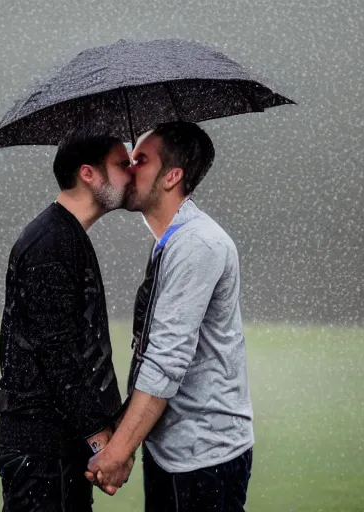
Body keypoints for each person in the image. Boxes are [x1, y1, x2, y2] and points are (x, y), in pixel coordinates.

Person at [87, 121, 254, 511]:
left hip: (203, 455)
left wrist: (118, 451)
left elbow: (166, 360)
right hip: (176, 449)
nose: (128, 167)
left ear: (172, 177)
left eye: (140, 159)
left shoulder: (196, 244)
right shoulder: (172, 241)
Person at [0, 126, 135, 511]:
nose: (132, 172)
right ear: (88, 174)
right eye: (122, 164)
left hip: (54, 448)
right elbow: (54, 354)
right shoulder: (51, 243)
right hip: (40, 451)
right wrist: (100, 437)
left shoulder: (66, 235)